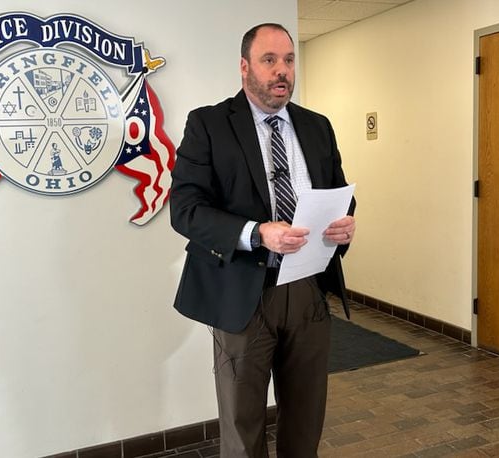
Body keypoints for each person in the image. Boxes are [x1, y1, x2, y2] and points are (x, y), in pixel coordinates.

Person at [170, 23, 356, 457]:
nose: (282, 71)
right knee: (243, 422)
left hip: (308, 290)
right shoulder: (209, 124)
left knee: (306, 416)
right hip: (243, 295)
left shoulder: (317, 126)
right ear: (244, 67)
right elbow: (185, 209)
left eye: (289, 60)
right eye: (269, 60)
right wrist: (256, 233)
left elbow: (339, 194)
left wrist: (345, 223)